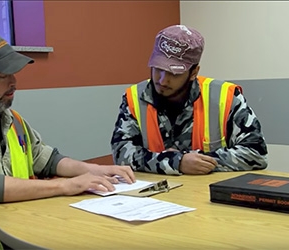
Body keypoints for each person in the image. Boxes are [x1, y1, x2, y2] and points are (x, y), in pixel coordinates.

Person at [0, 29, 135, 250]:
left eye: (13, 73)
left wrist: (93, 170)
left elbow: (46, 159)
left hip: (9, 233)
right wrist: (67, 185)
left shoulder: (10, 119)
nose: (13, 82)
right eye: (2, 76)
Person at [110, 24, 268, 176]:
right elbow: (122, 155)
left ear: (194, 72)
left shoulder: (225, 96)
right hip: (153, 197)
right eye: (158, 68)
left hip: (207, 196)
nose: (163, 81)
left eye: (174, 73)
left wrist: (196, 161)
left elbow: (256, 153)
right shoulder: (134, 97)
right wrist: (176, 162)